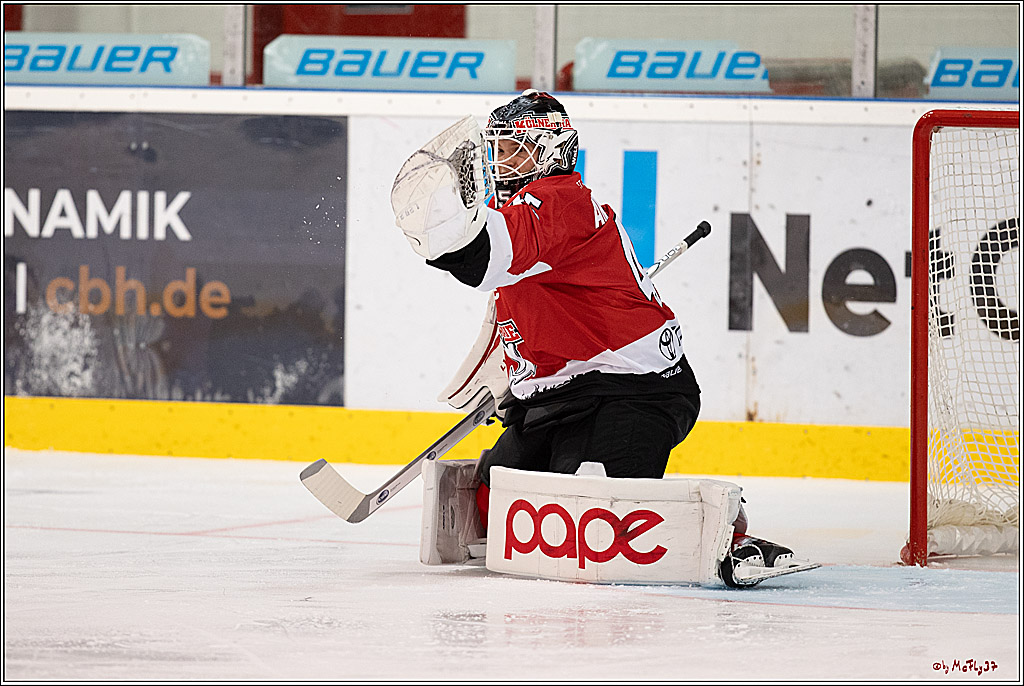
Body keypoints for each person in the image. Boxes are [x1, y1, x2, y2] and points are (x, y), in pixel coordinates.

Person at [394, 90, 806, 585]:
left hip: (635, 390)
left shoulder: (561, 203)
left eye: (515, 150)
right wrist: (516, 386)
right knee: (491, 501)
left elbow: (477, 260)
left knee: (595, 520)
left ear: (551, 151)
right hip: (565, 395)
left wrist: (436, 216)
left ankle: (730, 528)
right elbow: (507, 314)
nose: (502, 163)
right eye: (497, 151)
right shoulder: (519, 213)